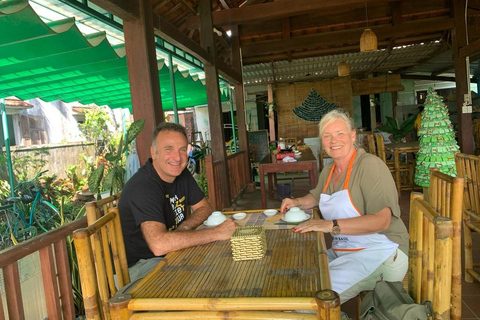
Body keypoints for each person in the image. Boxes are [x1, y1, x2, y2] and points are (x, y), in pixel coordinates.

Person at [280, 109, 409, 305]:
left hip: (380, 253)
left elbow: (382, 221)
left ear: (353, 135)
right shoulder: (330, 169)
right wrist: (296, 202)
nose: (334, 141)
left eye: (340, 133)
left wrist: (329, 225)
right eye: (327, 136)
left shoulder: (370, 166)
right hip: (346, 250)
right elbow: (316, 196)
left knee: (309, 299)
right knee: (298, 277)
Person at [119, 122, 236, 282]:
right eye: (169, 149)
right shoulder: (144, 186)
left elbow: (204, 207)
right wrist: (216, 233)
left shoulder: (181, 174)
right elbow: (159, 245)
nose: (177, 157)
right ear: (154, 152)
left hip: (167, 254)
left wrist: (185, 227)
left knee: (222, 264)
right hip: (138, 268)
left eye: (182, 150)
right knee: (208, 278)